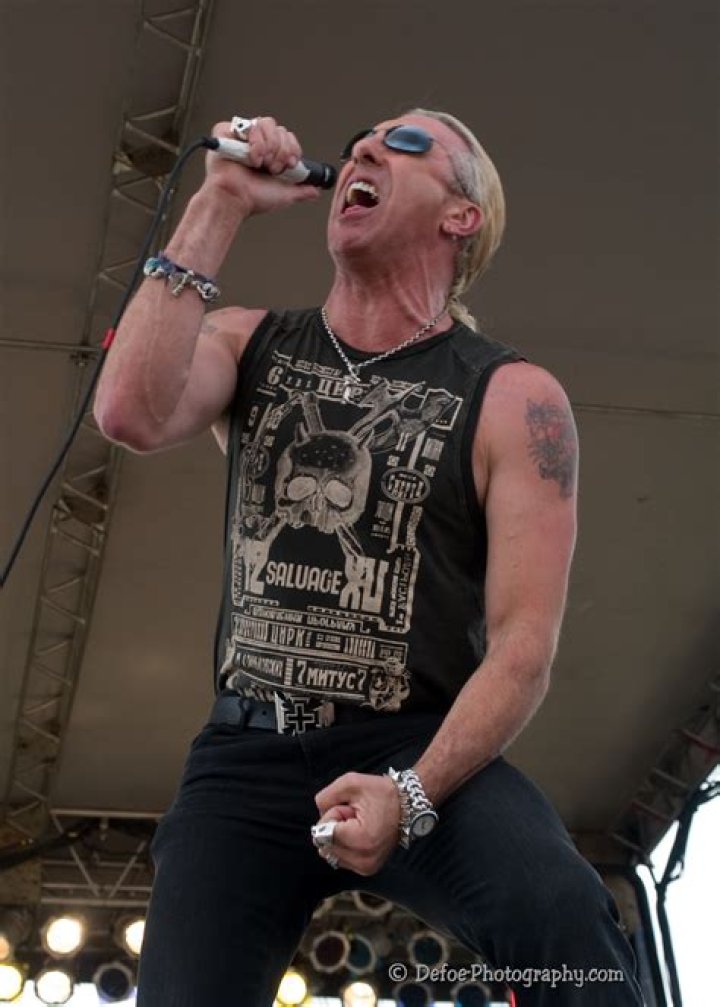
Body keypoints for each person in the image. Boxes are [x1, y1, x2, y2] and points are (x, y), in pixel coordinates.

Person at [94, 110, 644, 1006]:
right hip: (248, 750)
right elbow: (129, 413)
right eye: (359, 142)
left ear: (461, 215)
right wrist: (219, 202)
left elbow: (523, 647)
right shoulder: (250, 341)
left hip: (417, 742)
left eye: (407, 143)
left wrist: (414, 792)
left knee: (562, 921)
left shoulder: (513, 396)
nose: (364, 150)